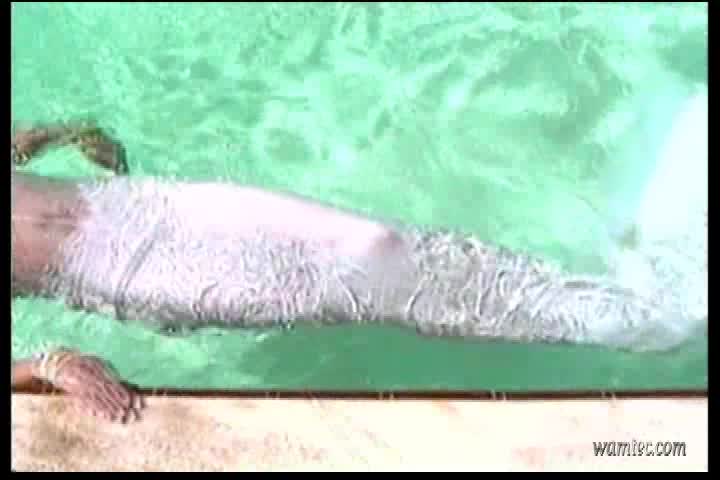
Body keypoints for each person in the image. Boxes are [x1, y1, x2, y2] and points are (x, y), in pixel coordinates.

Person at [10, 122, 704, 423]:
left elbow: (23, 139)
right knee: (374, 281)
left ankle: (616, 298)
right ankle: (639, 320)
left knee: (377, 240)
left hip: (140, 204)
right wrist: (48, 363)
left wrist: (74, 132)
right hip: (135, 269)